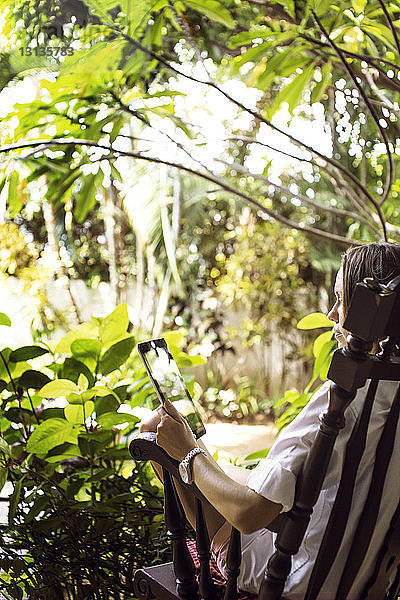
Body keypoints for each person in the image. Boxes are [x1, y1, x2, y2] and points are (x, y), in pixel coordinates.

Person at [139, 241, 400, 599]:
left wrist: (186, 454)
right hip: (360, 582)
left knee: (155, 433)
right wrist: (205, 458)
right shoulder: (390, 402)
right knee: (206, 460)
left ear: (370, 315)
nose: (332, 314)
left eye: (342, 301)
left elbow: (249, 513)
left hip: (292, 580)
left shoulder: (343, 400)